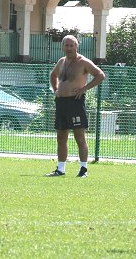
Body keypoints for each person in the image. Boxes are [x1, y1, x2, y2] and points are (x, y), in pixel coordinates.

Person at [46, 35, 105, 178]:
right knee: (61, 137)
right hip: (61, 103)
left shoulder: (83, 62)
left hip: (75, 103)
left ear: (76, 46)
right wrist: (56, 90)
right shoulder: (61, 62)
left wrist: (84, 89)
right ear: (62, 47)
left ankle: (83, 170)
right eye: (66, 45)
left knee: (79, 137)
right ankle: (60, 169)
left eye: (72, 45)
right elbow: (53, 75)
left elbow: (100, 75)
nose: (69, 48)